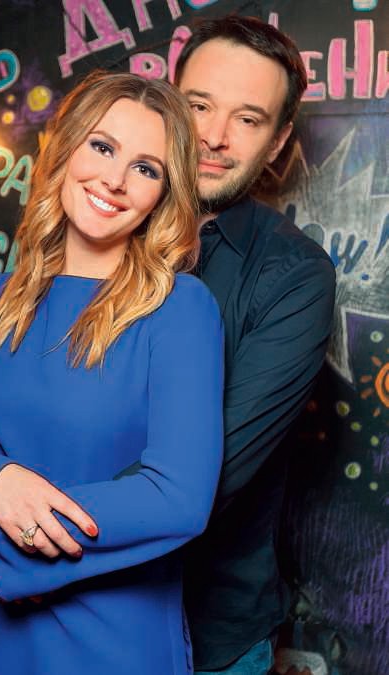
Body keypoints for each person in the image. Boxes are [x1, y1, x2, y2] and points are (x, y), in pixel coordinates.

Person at [0, 71, 224, 675]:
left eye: (145, 168)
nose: (114, 179)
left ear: (164, 193)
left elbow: (177, 496)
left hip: (114, 643)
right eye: (102, 147)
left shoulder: (180, 309)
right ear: (67, 148)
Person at [173, 15, 336, 675]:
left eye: (247, 119)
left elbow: (204, 479)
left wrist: (33, 545)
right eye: (198, 106)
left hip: (208, 638)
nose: (214, 137)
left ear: (277, 142)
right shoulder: (88, 232)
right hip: (40, 621)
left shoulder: (294, 275)